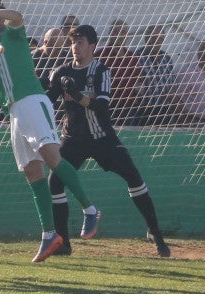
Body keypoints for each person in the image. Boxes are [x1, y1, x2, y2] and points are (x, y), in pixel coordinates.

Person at [0, 0, 95, 262]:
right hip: (14, 111)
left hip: (31, 101)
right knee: (32, 170)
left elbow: (17, 16)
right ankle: (50, 234)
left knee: (52, 157)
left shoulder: (12, 34)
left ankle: (90, 208)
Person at [47, 25, 171, 257]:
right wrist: (39, 86)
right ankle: (63, 243)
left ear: (92, 46)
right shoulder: (63, 71)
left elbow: (101, 108)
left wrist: (76, 94)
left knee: (134, 178)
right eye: (73, 42)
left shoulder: (101, 70)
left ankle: (155, 232)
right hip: (72, 138)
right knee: (55, 181)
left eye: (81, 42)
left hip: (102, 137)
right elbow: (47, 101)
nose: (75, 47)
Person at [94, 20, 141, 126]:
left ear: (127, 36)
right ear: (110, 34)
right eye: (116, 31)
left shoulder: (132, 58)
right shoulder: (100, 56)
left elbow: (137, 83)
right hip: (105, 109)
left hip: (128, 110)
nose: (120, 34)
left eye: (123, 31)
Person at [135, 25, 179, 126]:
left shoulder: (166, 58)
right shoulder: (137, 58)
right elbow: (136, 86)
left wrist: (171, 94)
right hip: (144, 111)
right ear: (146, 39)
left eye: (160, 39)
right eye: (153, 38)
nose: (156, 42)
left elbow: (173, 83)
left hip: (165, 111)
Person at [177, 39, 205, 128]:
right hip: (193, 122)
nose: (204, 55)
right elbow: (177, 99)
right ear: (198, 53)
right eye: (202, 51)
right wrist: (184, 122)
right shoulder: (188, 73)